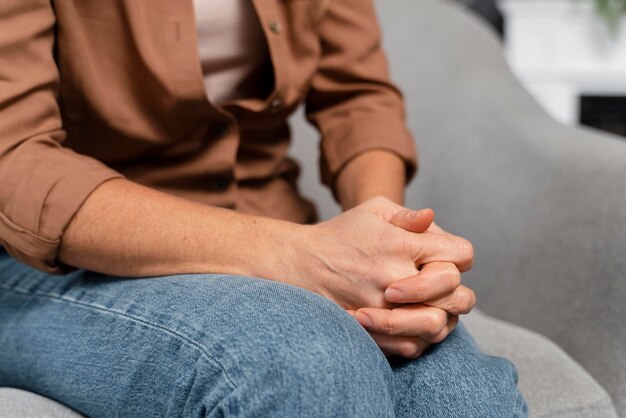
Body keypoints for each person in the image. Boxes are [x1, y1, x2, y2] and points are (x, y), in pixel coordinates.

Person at [0, 0, 528, 416]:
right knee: (305, 362)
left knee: (461, 393)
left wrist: (386, 245)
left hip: (276, 224)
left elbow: (356, 96)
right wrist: (300, 256)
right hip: (64, 259)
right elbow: (14, 158)